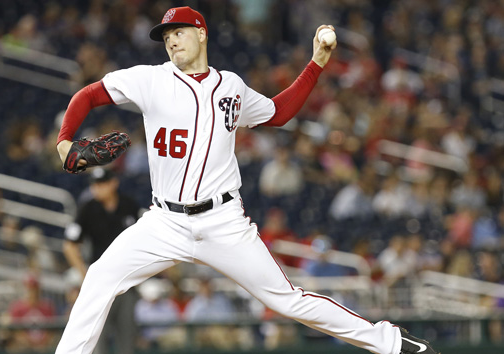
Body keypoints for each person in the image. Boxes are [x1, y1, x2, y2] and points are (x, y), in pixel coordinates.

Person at [54, 7, 438, 354]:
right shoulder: (149, 80)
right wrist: (65, 141)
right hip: (164, 221)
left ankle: (391, 342)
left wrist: (317, 63)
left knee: (287, 300)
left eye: (180, 31)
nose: (171, 39)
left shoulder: (231, 87)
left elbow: (278, 112)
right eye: (166, 35)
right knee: (99, 278)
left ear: (202, 33)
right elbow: (88, 95)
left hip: (222, 221)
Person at [62, 168, 141, 354]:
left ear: (113, 183)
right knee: (98, 343)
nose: (97, 188)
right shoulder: (88, 208)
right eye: (94, 185)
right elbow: (70, 245)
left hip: (127, 283)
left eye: (101, 184)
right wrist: (84, 276)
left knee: (127, 343)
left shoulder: (129, 205)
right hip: (101, 284)